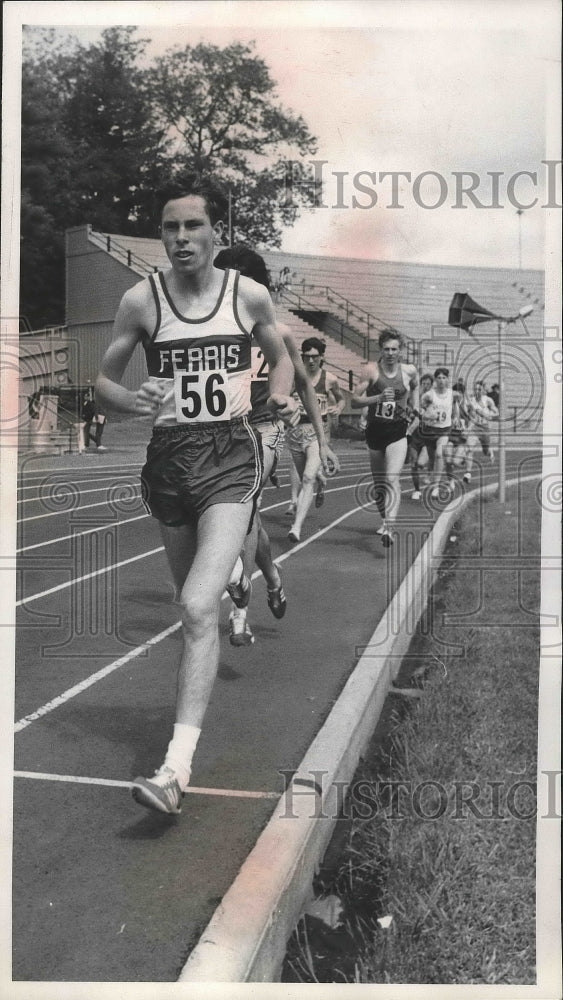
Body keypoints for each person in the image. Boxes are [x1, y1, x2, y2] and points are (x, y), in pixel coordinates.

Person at [95, 175, 298, 814]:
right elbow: (103, 381)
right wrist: (132, 398)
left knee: (194, 604)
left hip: (231, 458)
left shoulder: (249, 296)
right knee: (194, 616)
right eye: (169, 228)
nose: (180, 239)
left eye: (192, 227)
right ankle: (229, 590)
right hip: (169, 464)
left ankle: (174, 770)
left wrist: (283, 391)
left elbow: (282, 354)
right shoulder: (141, 300)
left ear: (215, 234)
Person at [213, 245, 339, 646]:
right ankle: (271, 576)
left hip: (266, 429)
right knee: (249, 522)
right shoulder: (210, 333)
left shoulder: (278, 333)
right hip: (222, 432)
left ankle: (239, 611)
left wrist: (323, 440)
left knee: (242, 504)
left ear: (257, 286)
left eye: (240, 282)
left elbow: (303, 386)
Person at [350, 328, 419, 546]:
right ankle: (384, 519)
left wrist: (413, 407)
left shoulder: (409, 371)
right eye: (386, 349)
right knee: (380, 486)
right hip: (375, 430)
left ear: (401, 351)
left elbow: (415, 387)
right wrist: (378, 397)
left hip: (397, 431)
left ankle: (390, 528)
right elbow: (354, 400)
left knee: (392, 479)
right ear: (381, 349)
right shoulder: (371, 371)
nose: (390, 353)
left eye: (394, 349)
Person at [285, 337, 345, 543]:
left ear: (322, 358)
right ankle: (321, 482)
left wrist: (338, 407)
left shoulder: (330, 379)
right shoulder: (293, 378)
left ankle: (296, 527)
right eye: (307, 357)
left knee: (307, 478)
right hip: (294, 433)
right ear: (301, 357)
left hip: (317, 434)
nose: (311, 361)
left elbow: (342, 398)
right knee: (306, 478)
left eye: (315, 357)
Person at [419, 368, 464, 497]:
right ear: (435, 380)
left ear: (448, 380)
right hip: (430, 431)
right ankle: (450, 479)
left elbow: (457, 404)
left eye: (444, 378)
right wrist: (427, 415)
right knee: (429, 461)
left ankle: (436, 487)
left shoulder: (453, 394)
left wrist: (456, 417)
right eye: (439, 378)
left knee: (440, 454)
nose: (441, 380)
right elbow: (419, 411)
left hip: (444, 430)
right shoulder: (429, 395)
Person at [464, 380, 499, 480]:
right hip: (474, 428)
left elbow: (496, 412)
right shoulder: (470, 400)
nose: (477, 391)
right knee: (469, 448)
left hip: (485, 428)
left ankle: (490, 452)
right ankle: (468, 473)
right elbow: (464, 413)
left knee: (485, 451)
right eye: (475, 389)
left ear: (483, 390)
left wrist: (489, 415)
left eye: (479, 389)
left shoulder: (488, 400)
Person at [406, 372, 433, 500]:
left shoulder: (433, 400)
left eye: (428, 384)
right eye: (424, 384)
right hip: (415, 437)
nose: (426, 386)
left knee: (421, 463)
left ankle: (430, 472)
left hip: (427, 438)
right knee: (413, 463)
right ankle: (417, 490)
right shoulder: (416, 399)